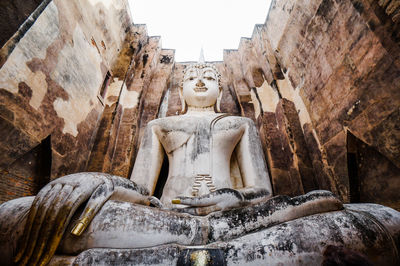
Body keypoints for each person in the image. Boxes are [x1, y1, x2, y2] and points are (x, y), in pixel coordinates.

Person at [11, 62, 276, 265]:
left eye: (208, 78)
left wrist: (237, 197)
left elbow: (263, 192)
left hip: (233, 220)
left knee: (317, 211)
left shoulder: (240, 124)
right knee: (51, 218)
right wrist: (103, 182)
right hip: (165, 218)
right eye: (192, 78)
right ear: (181, 91)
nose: (199, 83)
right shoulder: (160, 126)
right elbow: (141, 190)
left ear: (219, 89)